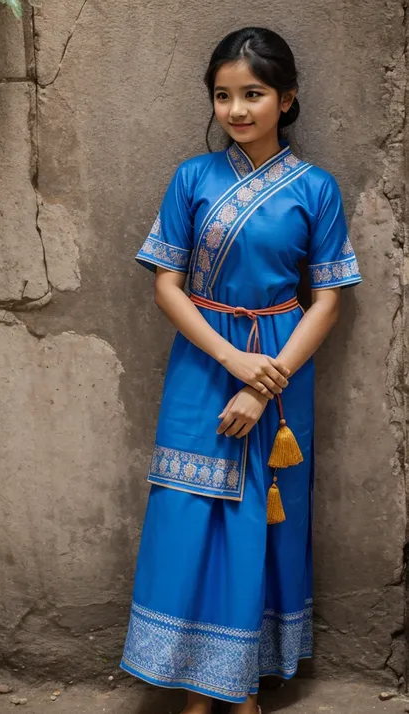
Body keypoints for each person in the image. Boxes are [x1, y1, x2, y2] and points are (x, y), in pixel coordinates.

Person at [120, 26, 362, 714]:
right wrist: (232, 363)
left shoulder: (317, 189)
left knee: (262, 518)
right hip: (203, 358)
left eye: (252, 93)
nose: (237, 109)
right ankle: (198, 684)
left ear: (286, 99)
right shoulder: (191, 179)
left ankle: (242, 685)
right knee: (189, 512)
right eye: (223, 95)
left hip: (283, 365)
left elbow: (330, 300)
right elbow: (166, 284)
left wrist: (266, 383)